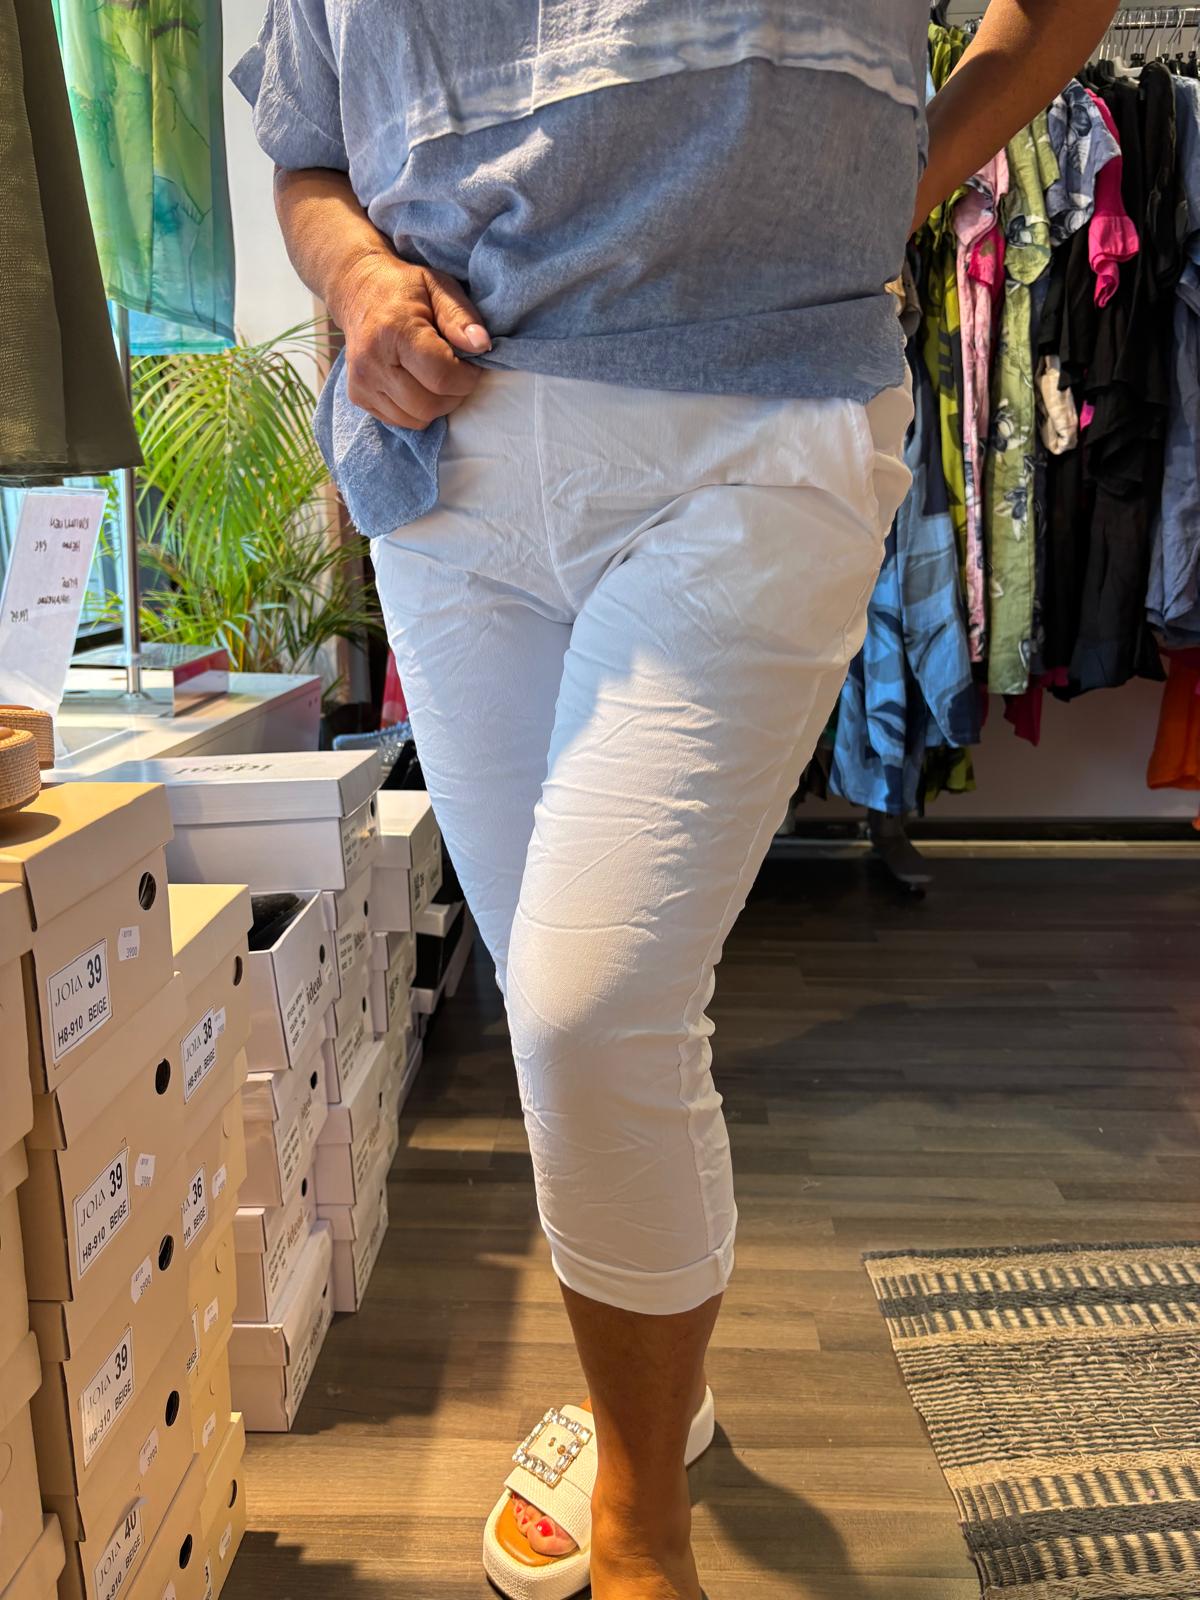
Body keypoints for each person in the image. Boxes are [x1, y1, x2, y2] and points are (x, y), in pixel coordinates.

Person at [233, 3, 1120, 1595]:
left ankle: (643, 1523)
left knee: (594, 1008)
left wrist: (904, 176)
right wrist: (358, 277)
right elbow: (308, 152)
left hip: (758, 420)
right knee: (578, 1019)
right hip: (446, 474)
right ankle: (661, 1401)